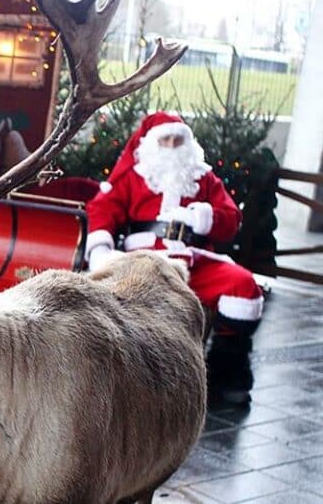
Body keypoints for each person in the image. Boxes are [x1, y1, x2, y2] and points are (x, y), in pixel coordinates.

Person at [85, 111, 263, 406]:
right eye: (164, 139)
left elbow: (231, 219)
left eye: (177, 139)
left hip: (194, 259)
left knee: (243, 288)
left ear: (187, 142)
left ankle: (227, 373)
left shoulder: (203, 178)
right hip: (146, 261)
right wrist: (101, 250)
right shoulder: (133, 176)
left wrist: (203, 217)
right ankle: (138, 381)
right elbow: (102, 210)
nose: (171, 145)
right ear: (150, 144)